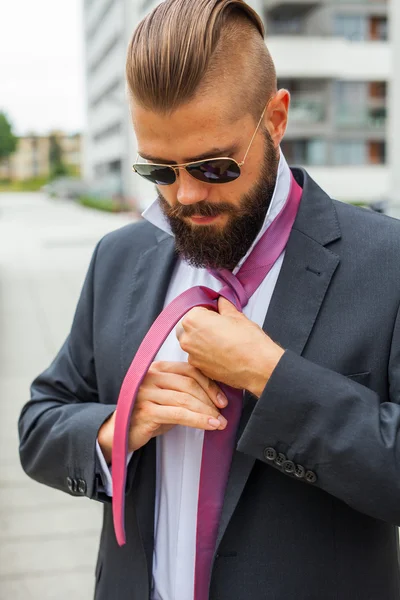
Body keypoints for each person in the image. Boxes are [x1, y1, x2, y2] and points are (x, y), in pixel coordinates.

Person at [18, 0, 400, 598]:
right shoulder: (119, 258)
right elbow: (39, 424)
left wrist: (274, 379)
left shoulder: (387, 263)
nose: (186, 195)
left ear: (275, 119)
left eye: (215, 166)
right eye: (160, 171)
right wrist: (116, 427)